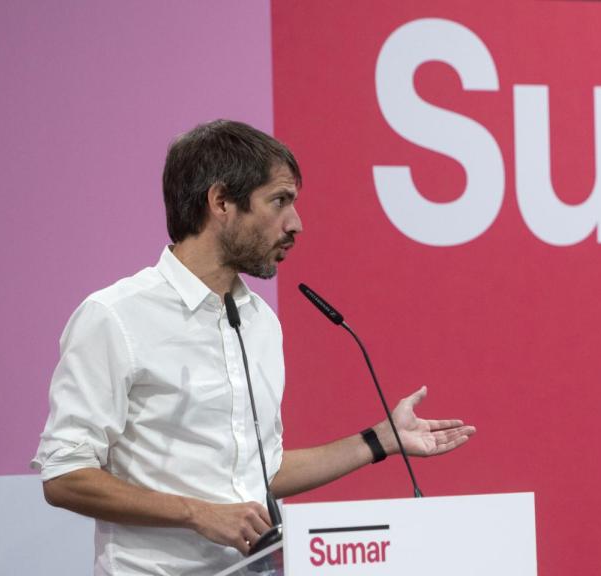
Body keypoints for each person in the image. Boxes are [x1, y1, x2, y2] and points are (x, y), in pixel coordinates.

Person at [32, 119, 476, 575]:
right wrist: (198, 512)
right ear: (221, 202)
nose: (296, 224)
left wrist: (379, 441)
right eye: (279, 201)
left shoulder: (261, 322)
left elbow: (260, 473)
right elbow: (65, 476)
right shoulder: (115, 316)